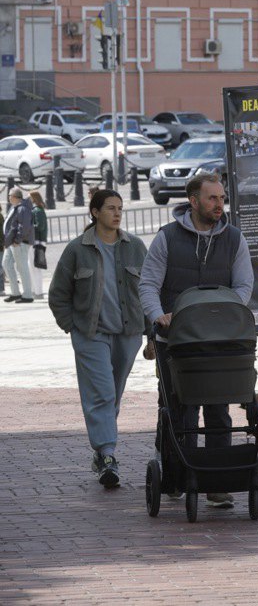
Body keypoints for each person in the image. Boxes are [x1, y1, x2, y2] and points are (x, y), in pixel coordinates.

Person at [139, 173, 253, 509]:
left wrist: (227, 313)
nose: (219, 204)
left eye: (222, 198)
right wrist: (158, 314)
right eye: (212, 198)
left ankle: (217, 482)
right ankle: (176, 474)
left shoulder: (234, 239)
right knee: (178, 410)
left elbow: (244, 286)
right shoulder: (167, 238)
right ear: (193, 201)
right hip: (175, 341)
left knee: (218, 409)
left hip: (220, 341)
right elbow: (148, 283)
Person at [48, 190, 148, 488]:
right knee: (102, 392)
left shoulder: (135, 247)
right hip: (91, 335)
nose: (117, 214)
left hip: (128, 334)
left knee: (112, 394)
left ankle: (102, 447)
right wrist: (73, 327)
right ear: (94, 212)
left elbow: (149, 290)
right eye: (110, 208)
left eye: (120, 208)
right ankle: (107, 456)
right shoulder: (77, 249)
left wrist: (152, 334)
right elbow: (58, 295)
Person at [3, 188, 34, 303]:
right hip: (12, 243)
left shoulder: (23, 208)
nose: (9, 197)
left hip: (19, 243)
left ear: (15, 196)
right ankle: (15, 293)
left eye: (10, 195)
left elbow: (24, 226)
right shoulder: (16, 207)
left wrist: (17, 240)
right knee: (6, 264)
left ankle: (27, 295)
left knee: (22, 268)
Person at [29, 190, 47, 300]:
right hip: (36, 241)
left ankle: (38, 291)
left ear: (34, 198)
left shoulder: (38, 211)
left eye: (30, 197)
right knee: (33, 266)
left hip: (37, 242)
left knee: (36, 267)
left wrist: (29, 226)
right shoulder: (36, 210)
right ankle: (35, 290)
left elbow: (40, 227)